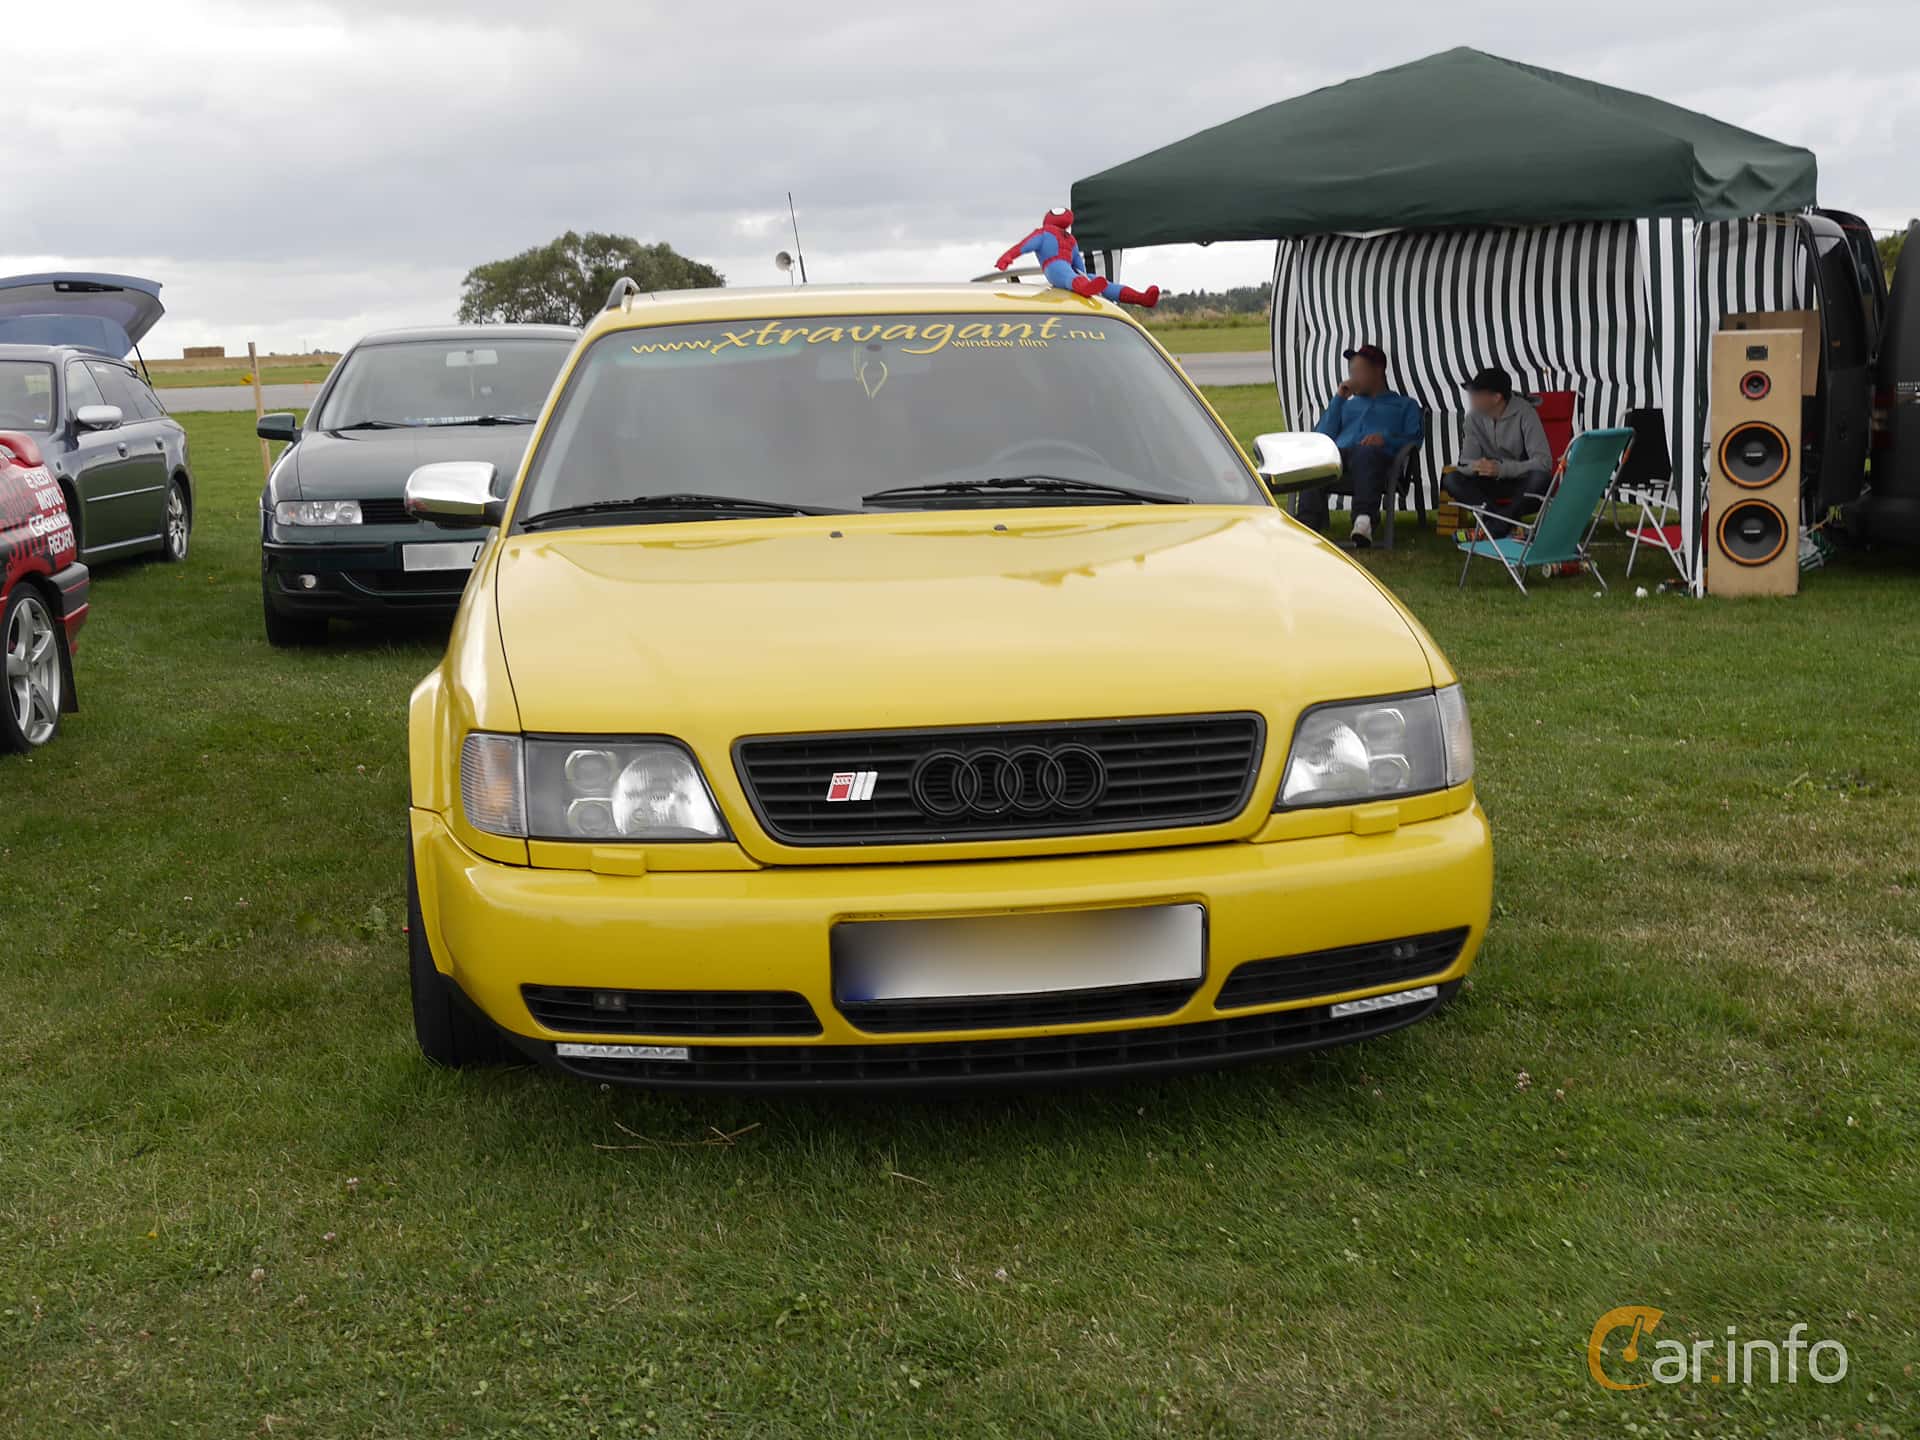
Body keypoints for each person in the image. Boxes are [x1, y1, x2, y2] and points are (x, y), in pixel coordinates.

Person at [1298, 344, 1422, 547]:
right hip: (1339, 459)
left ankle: (1363, 521)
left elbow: (1414, 440)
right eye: (1351, 372)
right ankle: (1306, 525)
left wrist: (1386, 440)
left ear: (1378, 370)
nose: (1353, 377)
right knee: (1318, 457)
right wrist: (1338, 399)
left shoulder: (1405, 405)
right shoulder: (1346, 404)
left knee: (1366, 452)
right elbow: (1320, 437)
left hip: (1377, 461)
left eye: (1359, 371)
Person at [1447, 366, 1553, 529]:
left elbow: (1544, 462)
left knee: (1541, 478)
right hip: (1489, 483)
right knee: (1452, 479)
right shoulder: (1473, 419)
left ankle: (1495, 525)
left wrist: (1501, 469)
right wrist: (1477, 466)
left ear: (1496, 397)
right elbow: (1465, 462)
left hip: (1521, 482)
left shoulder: (1526, 413)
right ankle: (1503, 522)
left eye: (1477, 394)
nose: (1471, 398)